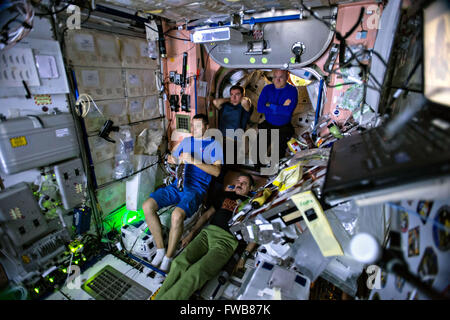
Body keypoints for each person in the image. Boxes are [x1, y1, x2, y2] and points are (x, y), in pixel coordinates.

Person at [154, 174, 257, 300]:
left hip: (226, 241)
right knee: (179, 262)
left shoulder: (254, 205)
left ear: (251, 188)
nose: (239, 184)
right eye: (238, 181)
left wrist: (244, 256)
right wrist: (191, 233)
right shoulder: (225, 195)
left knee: (196, 272)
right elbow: (207, 215)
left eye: (244, 183)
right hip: (207, 233)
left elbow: (256, 234)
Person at [142, 114, 223, 273]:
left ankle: (168, 258)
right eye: (192, 126)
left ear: (207, 128)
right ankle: (160, 250)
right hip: (177, 185)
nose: (194, 129)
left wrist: (193, 160)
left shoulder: (214, 145)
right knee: (147, 206)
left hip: (195, 189)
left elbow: (217, 172)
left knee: (176, 215)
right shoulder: (186, 141)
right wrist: (174, 158)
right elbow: (173, 159)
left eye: (198, 126)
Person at [257, 69, 298, 159]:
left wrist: (269, 105)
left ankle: (275, 170)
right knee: (258, 151)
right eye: (275, 77)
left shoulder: (292, 90)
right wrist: (281, 107)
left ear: (287, 77)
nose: (277, 80)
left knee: (278, 154)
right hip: (268, 124)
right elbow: (260, 108)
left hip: (284, 126)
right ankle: (258, 170)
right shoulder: (267, 89)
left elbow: (288, 112)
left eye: (281, 77)